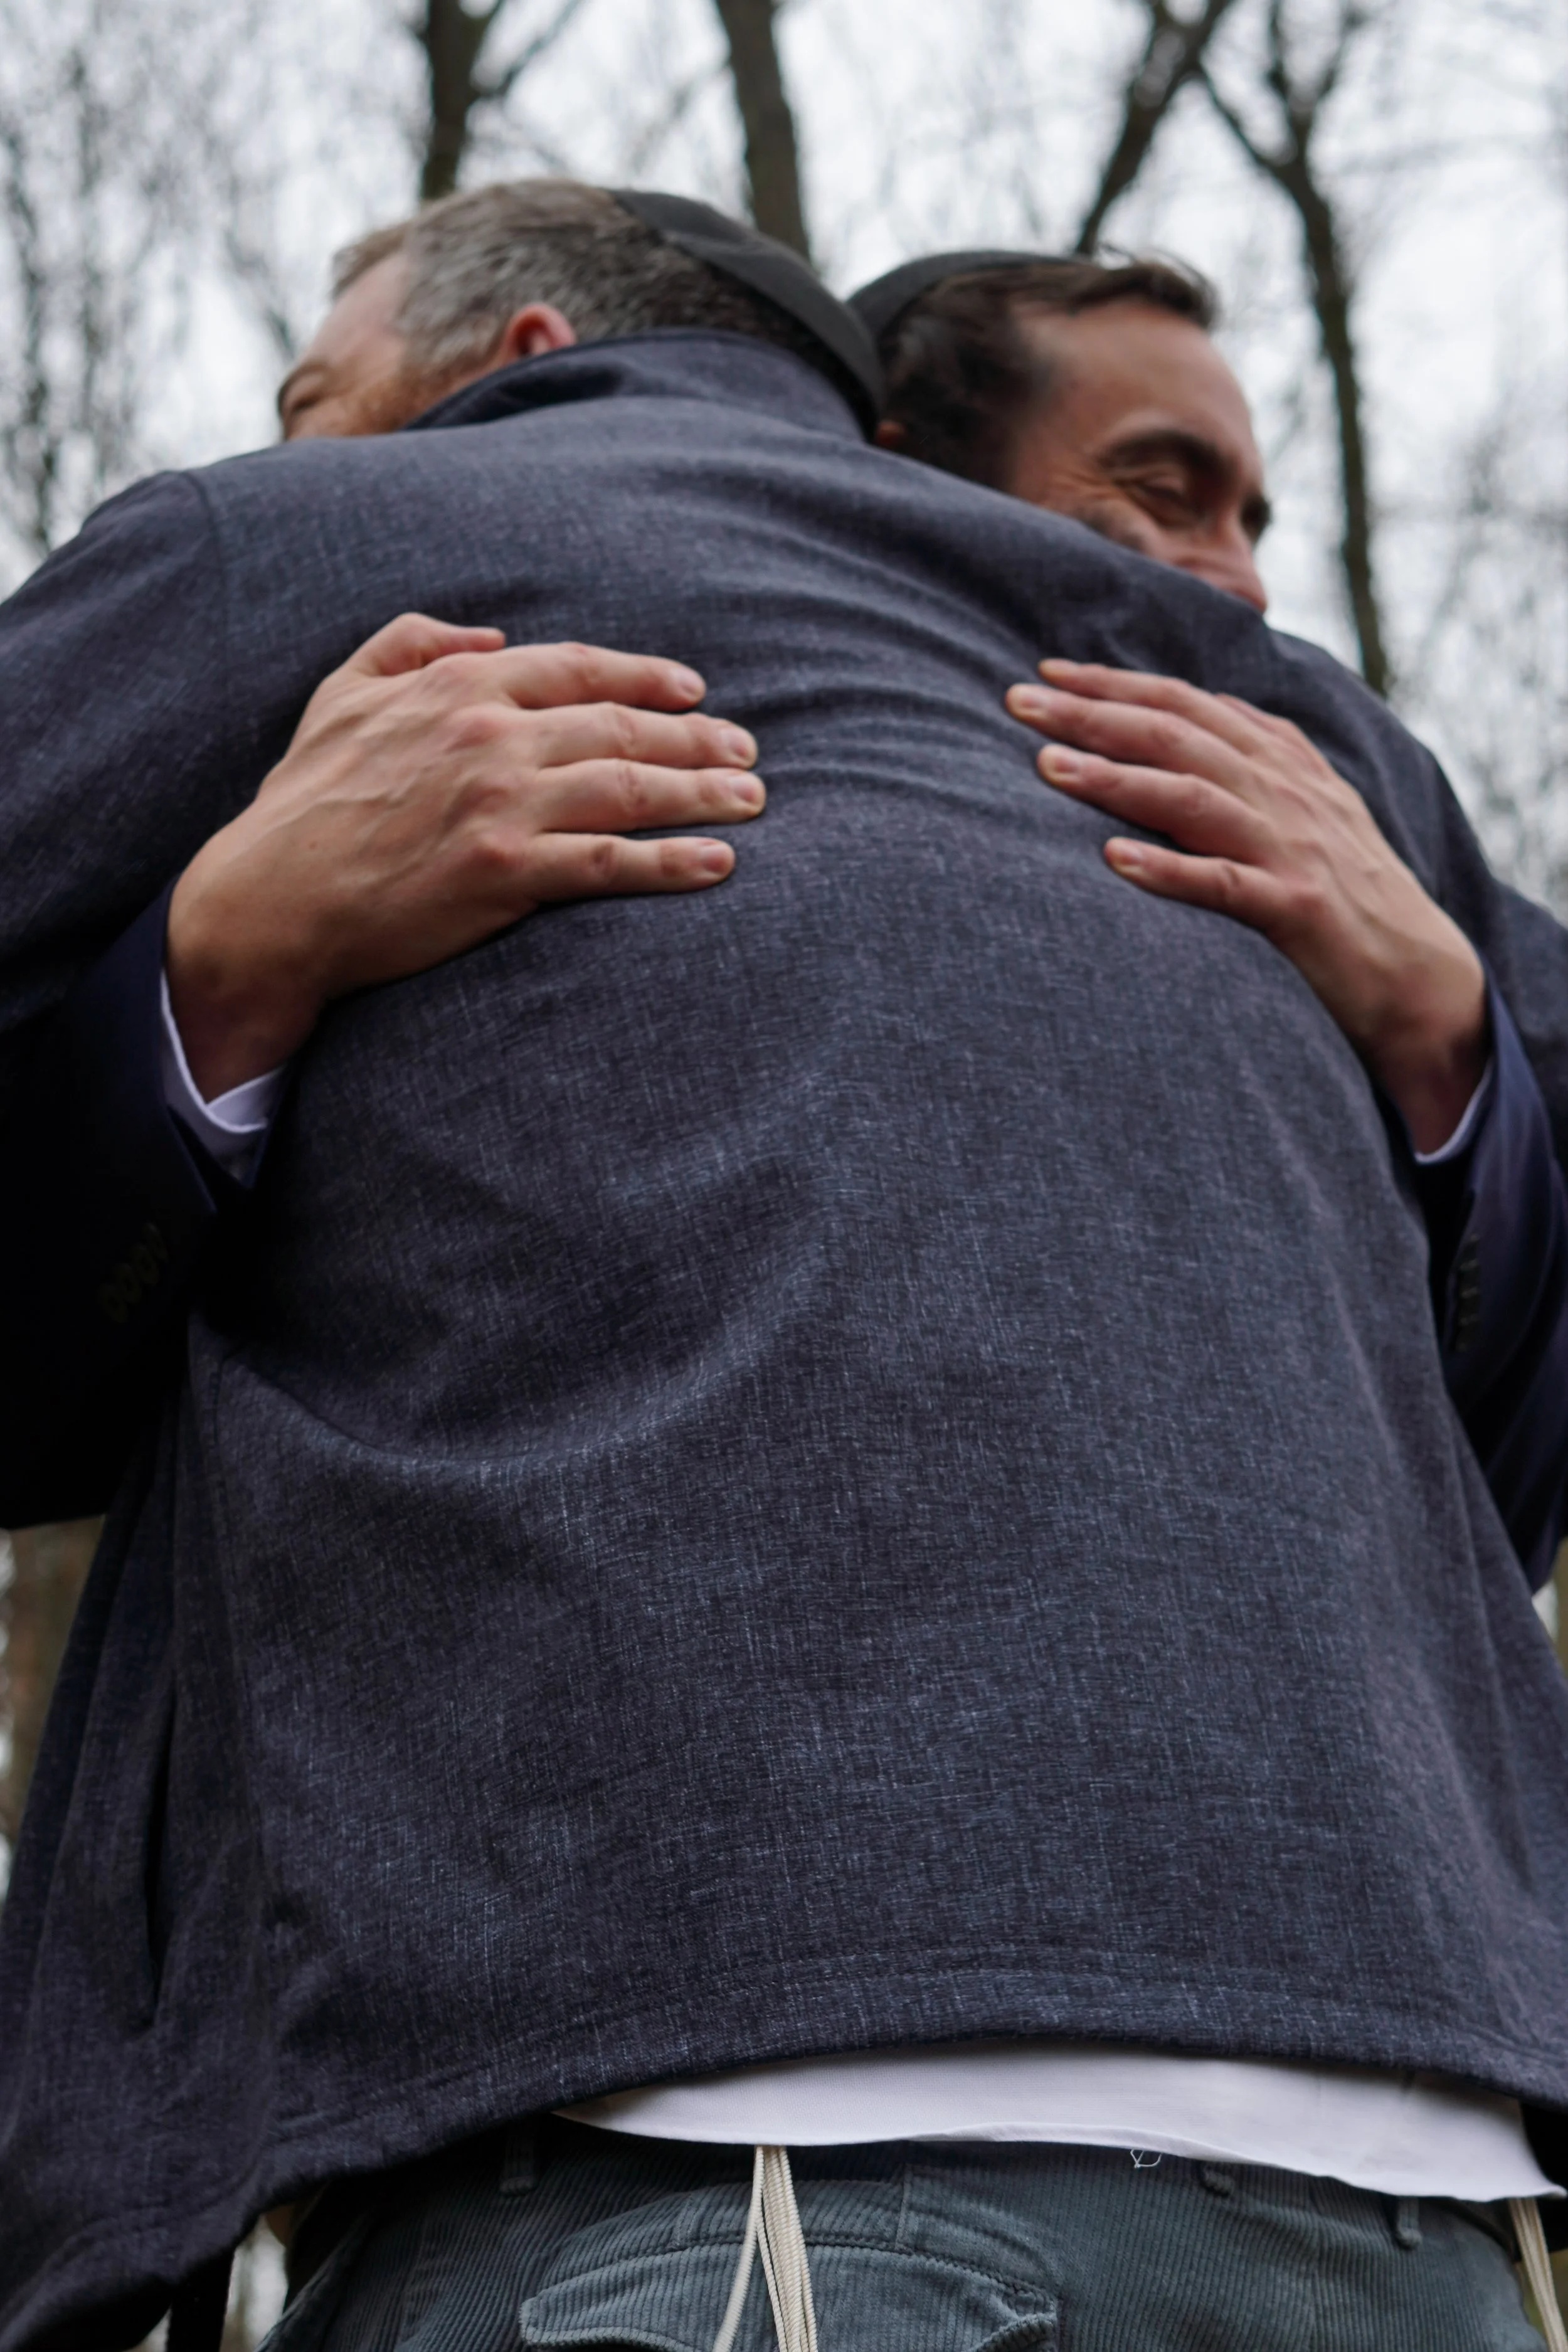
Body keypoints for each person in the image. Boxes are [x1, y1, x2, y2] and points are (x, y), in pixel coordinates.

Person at [3, 181, 1568, 2352]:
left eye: (314, 394)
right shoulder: (1285, 716)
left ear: (516, 357)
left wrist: (200, 971)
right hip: (1426, 2174)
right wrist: (1471, 1080)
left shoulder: (294, 546)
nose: (298, 445)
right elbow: (1505, 1487)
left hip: (701, 2132)